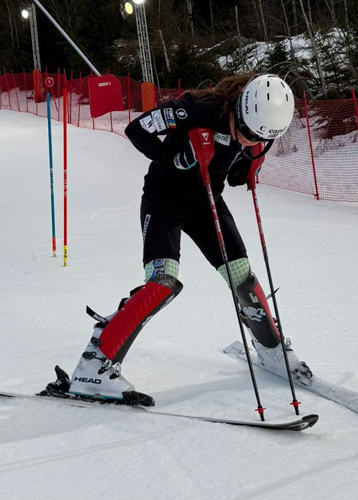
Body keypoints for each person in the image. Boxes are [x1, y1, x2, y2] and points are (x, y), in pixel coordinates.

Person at [42, 73, 303, 406]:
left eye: (260, 139)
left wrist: (250, 165)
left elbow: (236, 170)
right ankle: (95, 365)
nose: (251, 140)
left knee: (242, 276)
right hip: (164, 199)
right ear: (239, 107)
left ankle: (271, 349)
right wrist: (175, 160)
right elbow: (136, 130)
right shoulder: (194, 109)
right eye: (248, 133)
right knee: (162, 281)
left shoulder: (261, 130)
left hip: (207, 202)